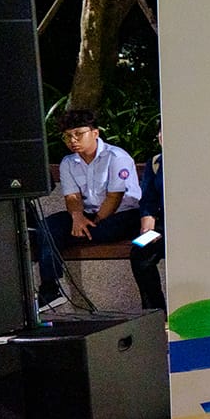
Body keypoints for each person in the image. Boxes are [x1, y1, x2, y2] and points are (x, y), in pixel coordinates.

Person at [38, 108, 144, 306]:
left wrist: (92, 222)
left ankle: (73, 236)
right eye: (67, 136)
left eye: (78, 134)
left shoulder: (116, 157)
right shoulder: (68, 162)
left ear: (95, 133)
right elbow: (72, 196)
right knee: (47, 227)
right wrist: (77, 218)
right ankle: (50, 289)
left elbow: (114, 197)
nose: (73, 140)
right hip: (88, 214)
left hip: (123, 214)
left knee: (74, 234)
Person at [131, 129, 166, 310]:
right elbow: (148, 199)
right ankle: (155, 311)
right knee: (139, 250)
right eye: (160, 133)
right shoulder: (155, 163)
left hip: (194, 224)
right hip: (164, 225)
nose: (162, 137)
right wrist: (147, 221)